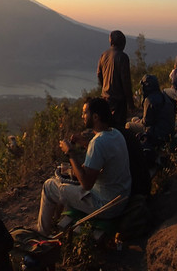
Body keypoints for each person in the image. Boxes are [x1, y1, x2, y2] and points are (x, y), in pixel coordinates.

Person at [37, 97, 132, 235]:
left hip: (105, 206)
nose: (82, 116)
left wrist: (70, 152)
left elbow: (86, 184)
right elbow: (102, 155)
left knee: (49, 186)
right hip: (121, 199)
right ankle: (55, 224)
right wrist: (84, 143)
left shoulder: (98, 143)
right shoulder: (116, 134)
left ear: (95, 117)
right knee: (66, 182)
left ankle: (42, 234)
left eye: (84, 113)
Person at [97, 30, 135, 127]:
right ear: (122, 42)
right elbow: (125, 81)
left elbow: (99, 74)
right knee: (118, 128)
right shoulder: (122, 57)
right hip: (118, 100)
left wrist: (105, 88)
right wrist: (130, 103)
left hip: (105, 98)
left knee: (107, 125)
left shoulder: (104, 55)